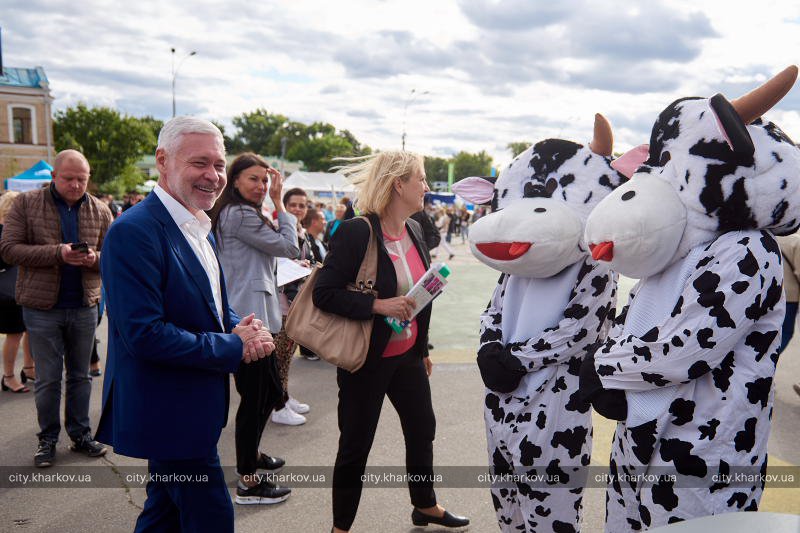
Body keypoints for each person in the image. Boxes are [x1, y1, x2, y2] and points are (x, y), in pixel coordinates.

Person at [96, 117, 276, 533]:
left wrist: (242, 326)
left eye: (218, 164)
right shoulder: (134, 232)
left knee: (164, 513)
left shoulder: (200, 226)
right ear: (163, 160)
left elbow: (211, 307)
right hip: (168, 410)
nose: (213, 176)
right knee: (211, 517)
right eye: (200, 163)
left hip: (194, 405)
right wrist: (235, 346)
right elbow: (144, 334)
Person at [314, 151, 469, 532]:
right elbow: (325, 294)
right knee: (356, 446)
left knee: (422, 429)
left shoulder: (416, 228)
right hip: (368, 357)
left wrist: (422, 348)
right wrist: (378, 304)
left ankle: (425, 505)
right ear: (398, 184)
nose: (427, 187)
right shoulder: (356, 231)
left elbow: (417, 296)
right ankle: (341, 527)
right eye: (421, 178)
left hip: (408, 356)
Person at [0, 150, 113, 467]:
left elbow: (114, 256)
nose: (77, 185)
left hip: (83, 305)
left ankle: (80, 435)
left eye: (82, 179)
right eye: (69, 178)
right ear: (53, 176)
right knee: (49, 379)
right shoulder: (26, 203)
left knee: (81, 377)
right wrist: (58, 253)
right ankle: (47, 439)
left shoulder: (101, 210)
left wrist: (95, 259)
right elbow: (8, 250)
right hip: (41, 307)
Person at [211, 152, 298, 504]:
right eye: (254, 179)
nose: (262, 186)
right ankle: (248, 481)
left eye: (266, 180)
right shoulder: (239, 214)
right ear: (235, 181)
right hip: (248, 321)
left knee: (271, 393)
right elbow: (289, 246)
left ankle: (254, 454)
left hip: (254, 316)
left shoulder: (238, 212)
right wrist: (280, 201)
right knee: (257, 398)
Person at [271, 187, 316, 417]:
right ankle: (278, 406)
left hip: (296, 302)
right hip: (280, 303)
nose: (298, 209)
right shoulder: (278, 228)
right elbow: (276, 261)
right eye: (293, 205)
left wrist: (307, 264)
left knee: (288, 355)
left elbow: (304, 258)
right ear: (284, 206)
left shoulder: (301, 231)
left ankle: (284, 397)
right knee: (279, 356)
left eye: (302, 205)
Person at [0, 191, 34, 393]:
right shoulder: (5, 229)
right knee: (14, 334)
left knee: (29, 329)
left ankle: (29, 368)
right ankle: (9, 376)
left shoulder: (15, 228)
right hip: (8, 291)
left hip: (21, 288)